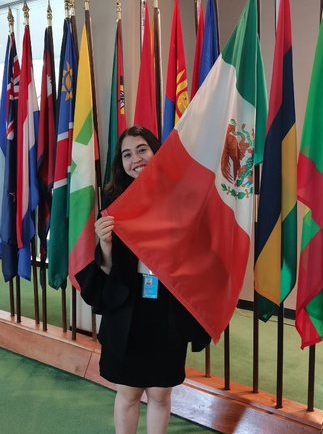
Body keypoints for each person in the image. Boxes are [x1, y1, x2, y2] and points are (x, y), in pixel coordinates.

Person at [76, 126, 210, 434]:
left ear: (156, 151)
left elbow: (199, 256)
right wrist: (105, 246)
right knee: (129, 394)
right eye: (127, 154)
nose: (135, 158)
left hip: (168, 307)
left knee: (161, 394)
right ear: (120, 163)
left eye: (141, 149)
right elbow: (107, 270)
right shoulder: (114, 201)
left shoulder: (182, 197)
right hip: (128, 307)